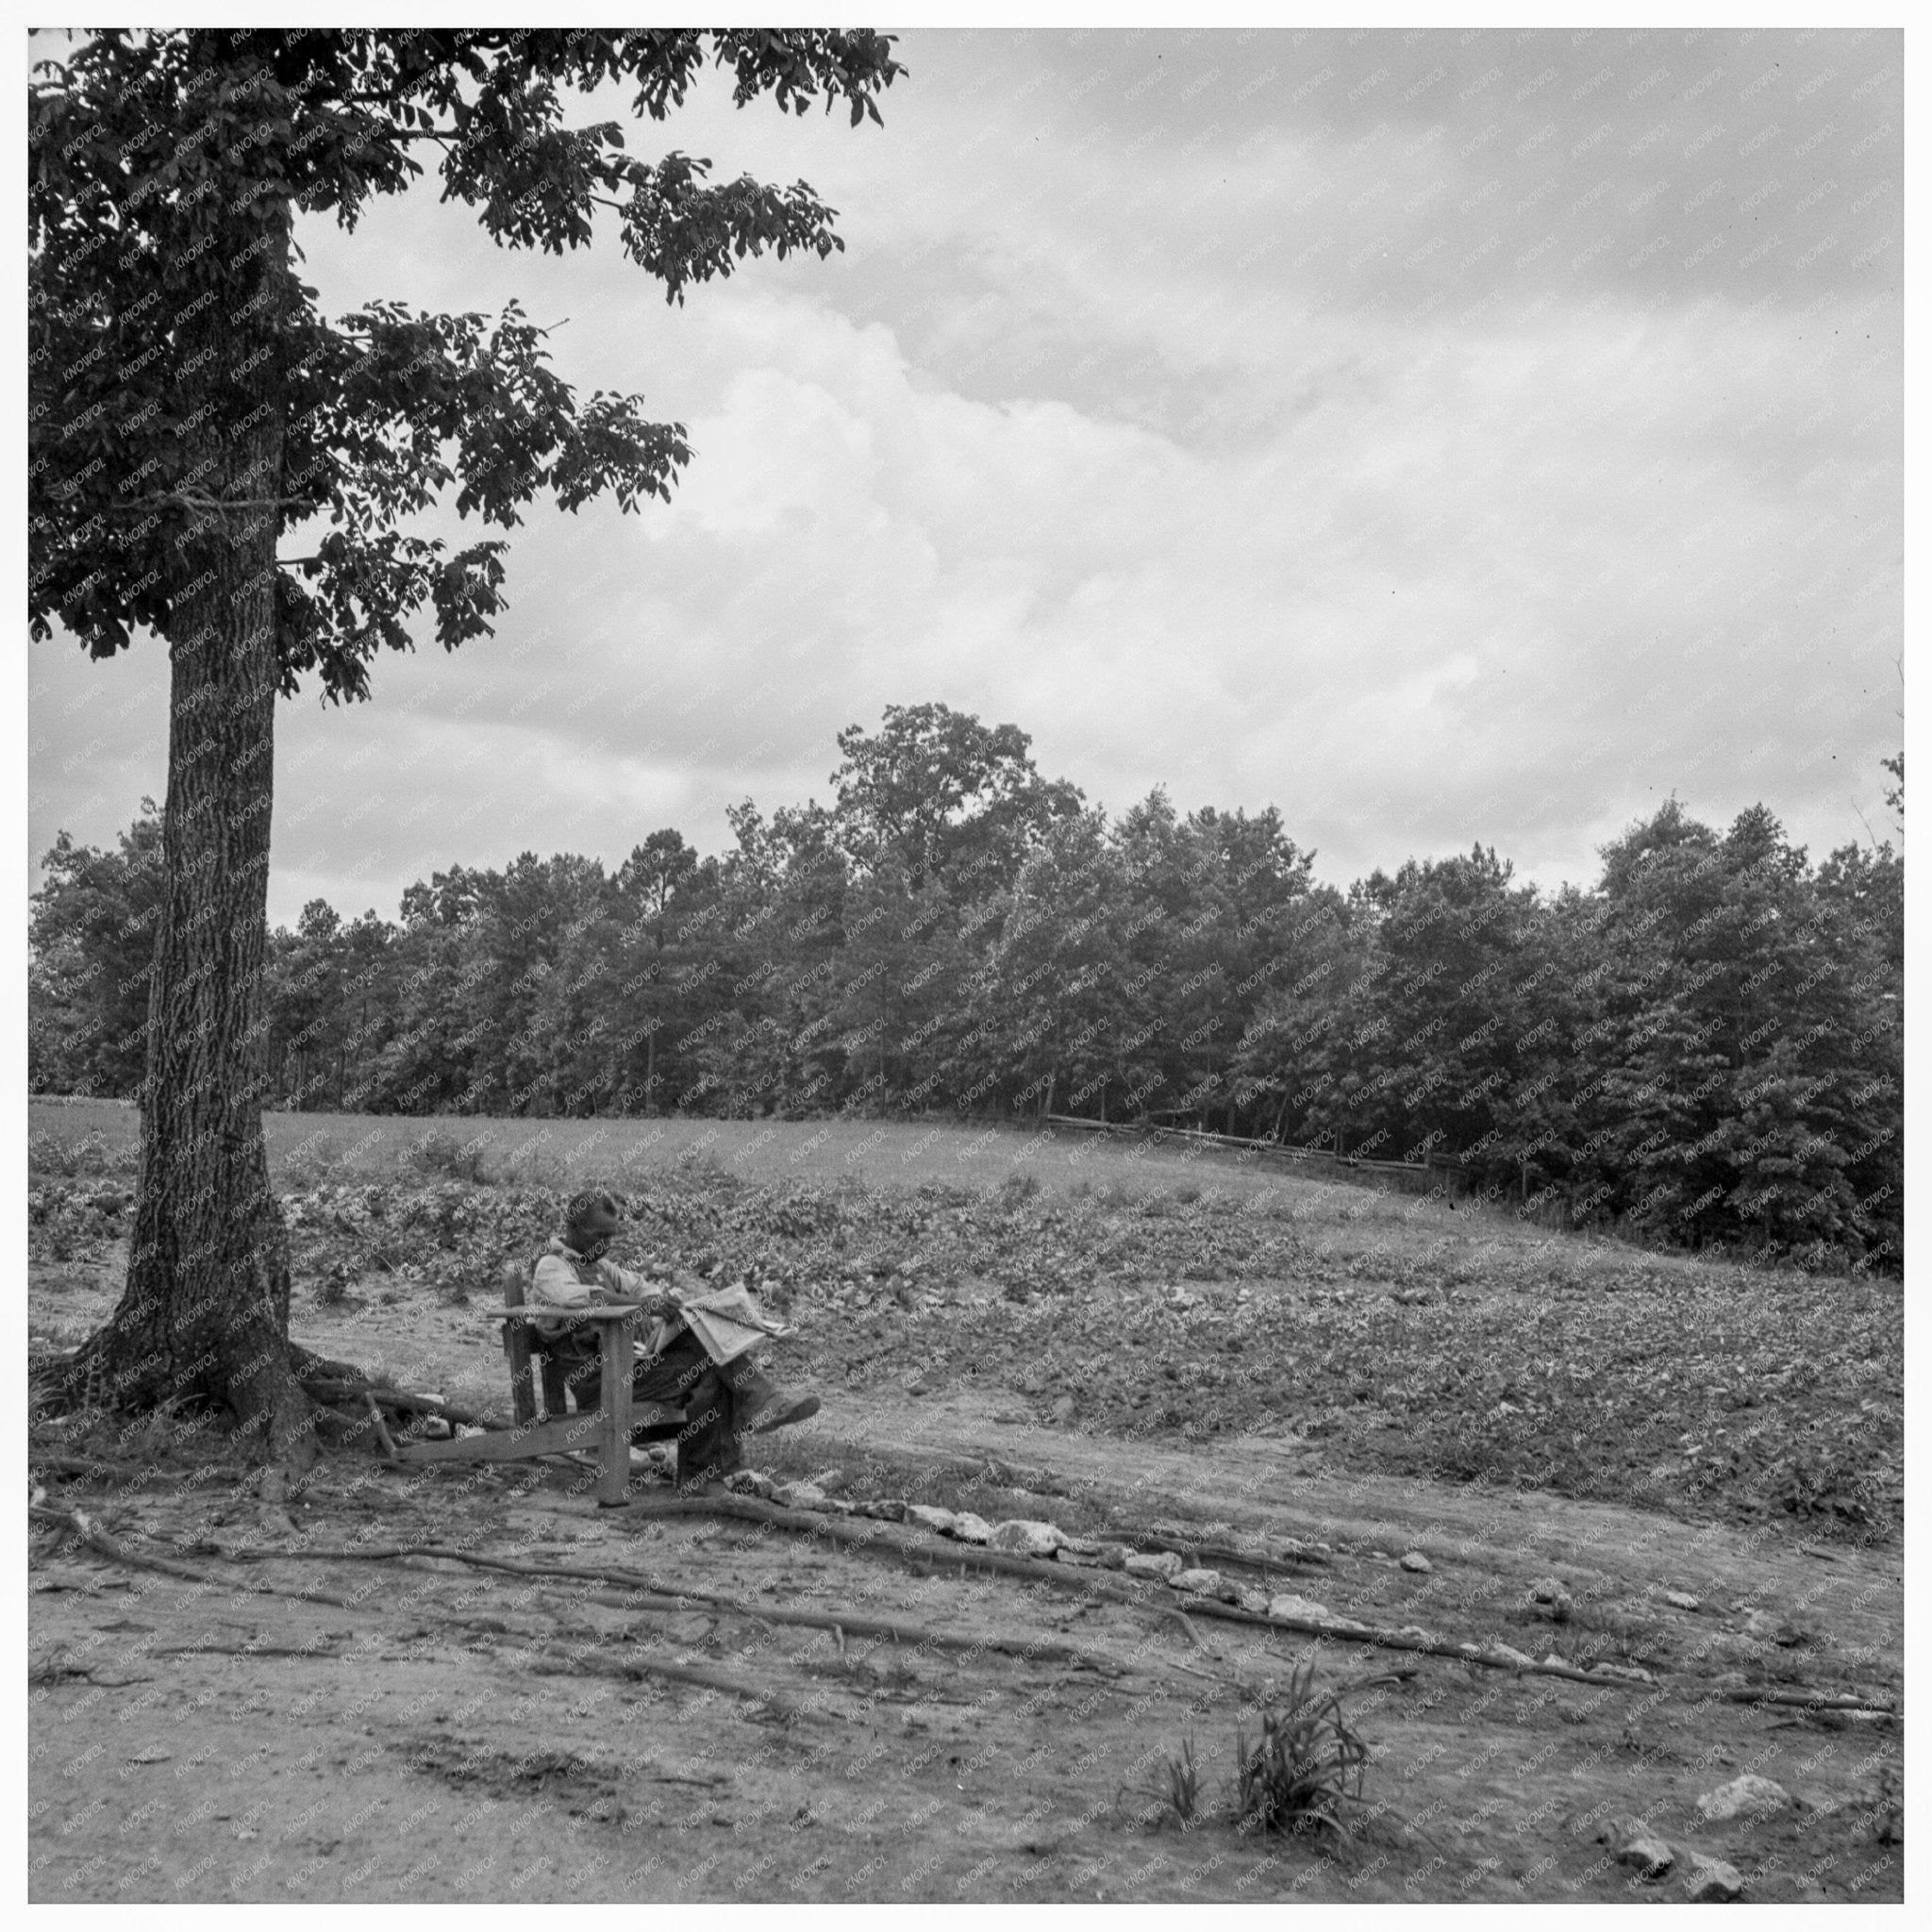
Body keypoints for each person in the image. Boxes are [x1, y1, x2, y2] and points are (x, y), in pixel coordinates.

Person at [528, 1189, 819, 1492]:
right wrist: (637, 1307)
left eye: (611, 1237)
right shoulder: (552, 1266)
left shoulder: (599, 1267)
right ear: (573, 1227)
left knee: (707, 1357)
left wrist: (653, 1303)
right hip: (597, 1382)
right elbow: (583, 1299)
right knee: (709, 1363)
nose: (605, 1245)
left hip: (623, 1371)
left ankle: (713, 1466)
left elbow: (642, 1287)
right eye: (599, 1236)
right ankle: (720, 1457)